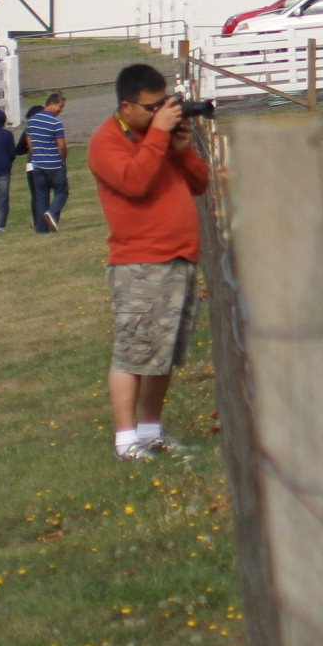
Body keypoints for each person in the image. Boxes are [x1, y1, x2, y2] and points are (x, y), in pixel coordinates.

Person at [88, 66, 210, 460]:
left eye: (164, 104)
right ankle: (126, 441)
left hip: (179, 257)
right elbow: (134, 182)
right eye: (151, 107)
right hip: (139, 262)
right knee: (133, 353)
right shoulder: (106, 142)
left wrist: (182, 150)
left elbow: (200, 183)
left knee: (163, 354)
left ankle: (150, 431)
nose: (161, 112)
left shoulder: (158, 139)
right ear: (126, 106)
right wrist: (158, 135)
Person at [26, 91, 70, 233]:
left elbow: (29, 138)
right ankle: (52, 212)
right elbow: (61, 145)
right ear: (51, 104)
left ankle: (41, 229)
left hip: (38, 164)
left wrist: (35, 152)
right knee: (62, 192)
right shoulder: (56, 123)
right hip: (55, 164)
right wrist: (63, 157)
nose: (60, 110)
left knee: (41, 196)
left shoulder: (32, 121)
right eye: (60, 106)